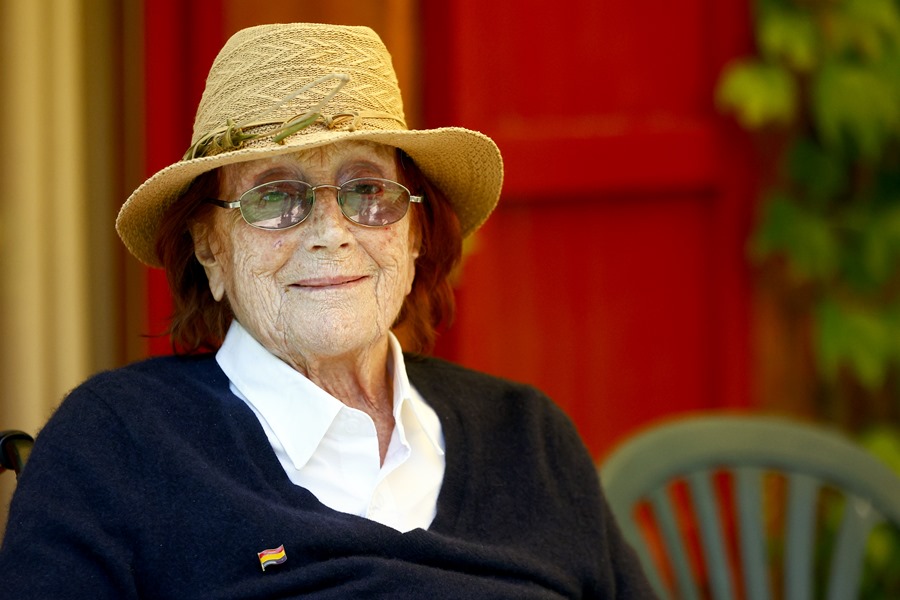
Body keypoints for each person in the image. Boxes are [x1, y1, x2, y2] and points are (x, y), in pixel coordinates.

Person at [0, 23, 656, 599]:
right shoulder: (116, 447)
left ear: (416, 232)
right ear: (211, 249)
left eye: (367, 189)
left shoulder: (530, 439)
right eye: (275, 196)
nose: (330, 233)